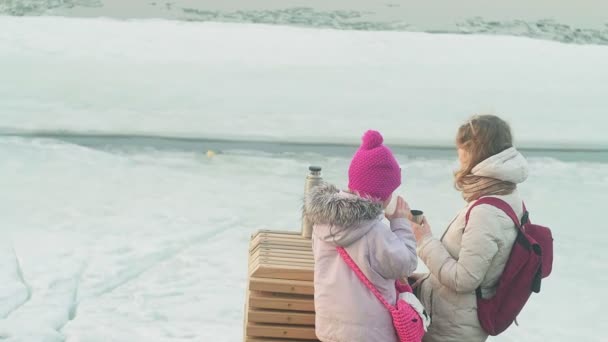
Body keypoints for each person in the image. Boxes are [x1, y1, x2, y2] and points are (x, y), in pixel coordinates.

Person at [410, 114, 529, 342]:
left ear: (476, 151)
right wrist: (425, 281)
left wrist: (424, 241)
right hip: (456, 320)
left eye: (462, 149)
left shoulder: (487, 212)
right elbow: (481, 270)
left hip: (453, 330)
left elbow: (465, 279)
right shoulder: (506, 194)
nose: (459, 157)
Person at [303, 130, 417, 342]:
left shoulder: (322, 222)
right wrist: (400, 222)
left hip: (330, 327)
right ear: (381, 196)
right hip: (370, 334)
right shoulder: (375, 232)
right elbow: (406, 263)